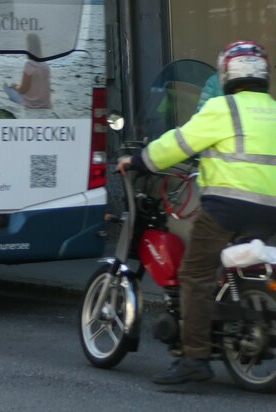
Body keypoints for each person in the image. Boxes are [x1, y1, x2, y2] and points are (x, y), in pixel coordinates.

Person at [116, 39, 276, 385]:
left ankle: (194, 359)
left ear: (227, 74)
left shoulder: (224, 108)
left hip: (227, 209)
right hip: (271, 213)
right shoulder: (274, 110)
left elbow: (178, 143)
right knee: (236, 267)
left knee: (196, 274)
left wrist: (140, 160)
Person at [5, 32, 52, 109]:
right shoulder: (45, 65)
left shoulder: (29, 65)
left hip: (32, 104)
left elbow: (23, 90)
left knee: (8, 89)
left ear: (29, 47)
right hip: (45, 104)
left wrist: (15, 87)